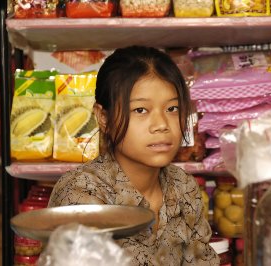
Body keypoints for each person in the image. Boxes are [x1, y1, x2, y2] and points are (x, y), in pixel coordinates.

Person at [48, 45, 220, 265]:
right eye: (140, 110)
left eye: (172, 109)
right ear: (103, 118)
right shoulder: (81, 195)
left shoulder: (183, 186)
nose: (161, 125)